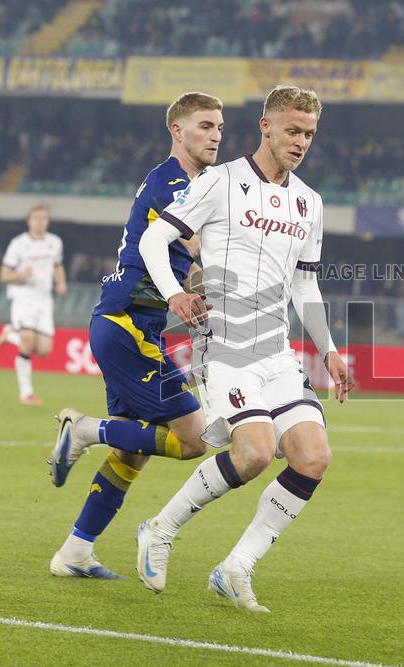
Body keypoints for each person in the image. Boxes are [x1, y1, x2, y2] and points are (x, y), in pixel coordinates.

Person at [135, 84, 354, 612]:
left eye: (309, 134)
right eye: (292, 131)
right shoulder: (220, 181)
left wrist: (328, 350)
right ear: (266, 126)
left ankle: (236, 568)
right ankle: (159, 529)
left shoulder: (309, 202)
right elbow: (153, 241)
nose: (301, 142)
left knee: (313, 457)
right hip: (225, 344)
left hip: (277, 351)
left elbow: (305, 286)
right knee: (255, 451)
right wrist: (176, 295)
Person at [46, 92, 224, 579]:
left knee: (134, 451)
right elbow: (199, 243)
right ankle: (84, 430)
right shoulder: (174, 183)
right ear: (177, 131)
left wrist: (202, 290)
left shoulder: (187, 184)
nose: (215, 135)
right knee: (193, 440)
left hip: (128, 324)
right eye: (205, 125)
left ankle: (75, 552)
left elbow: (184, 262)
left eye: (220, 127)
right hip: (129, 326)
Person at [0, 204, 67, 404]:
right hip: (23, 295)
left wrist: (61, 283)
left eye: (43, 218)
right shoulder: (18, 244)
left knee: (44, 350)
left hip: (44, 299)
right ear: (29, 220)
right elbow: (4, 275)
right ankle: (26, 393)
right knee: (27, 340)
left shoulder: (55, 242)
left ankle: (10, 333)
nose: (40, 221)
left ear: (48, 221)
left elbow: (58, 265)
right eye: (36, 218)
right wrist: (20, 275)